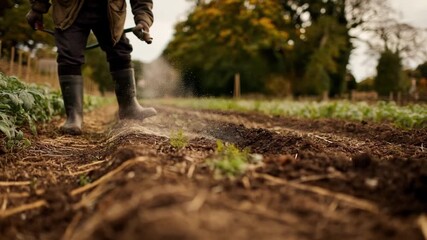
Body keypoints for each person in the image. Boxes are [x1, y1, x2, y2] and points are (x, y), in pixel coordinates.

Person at [25, 0, 157, 135]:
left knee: (120, 51)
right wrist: (37, 7)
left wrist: (143, 20)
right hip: (69, 9)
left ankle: (129, 107)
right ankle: (74, 117)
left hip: (110, 9)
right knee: (69, 54)